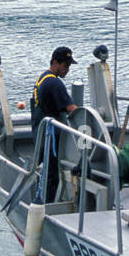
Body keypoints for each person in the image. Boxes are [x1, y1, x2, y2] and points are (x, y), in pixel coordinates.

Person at [31, 47, 78, 201]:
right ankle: (49, 208)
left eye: (69, 66)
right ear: (55, 62)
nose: (67, 70)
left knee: (45, 172)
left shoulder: (42, 78)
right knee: (53, 176)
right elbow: (73, 110)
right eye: (65, 66)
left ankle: (40, 198)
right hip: (51, 139)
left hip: (40, 134)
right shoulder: (54, 83)